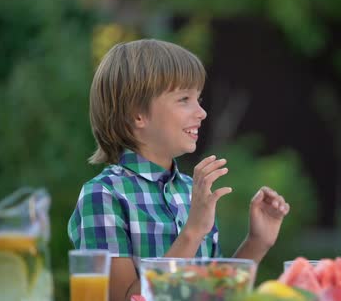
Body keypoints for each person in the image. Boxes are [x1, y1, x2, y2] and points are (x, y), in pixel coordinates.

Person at [67, 39, 290, 301]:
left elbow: (215, 295)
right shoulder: (102, 196)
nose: (202, 112)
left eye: (199, 98)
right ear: (137, 114)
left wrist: (256, 242)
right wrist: (193, 231)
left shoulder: (191, 192)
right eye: (184, 99)